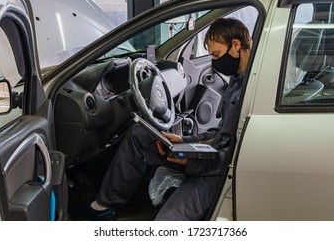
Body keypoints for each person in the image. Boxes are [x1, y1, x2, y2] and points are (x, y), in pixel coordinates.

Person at [72, 17, 252, 221]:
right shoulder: (237, 82)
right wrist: (183, 142)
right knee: (140, 134)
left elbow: (235, 158)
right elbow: (219, 135)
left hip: (217, 174)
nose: (214, 61)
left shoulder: (253, 89)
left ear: (236, 45)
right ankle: (103, 206)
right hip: (212, 158)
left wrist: (188, 162)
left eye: (216, 54)